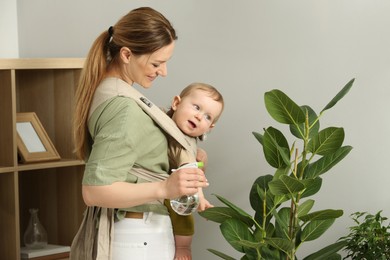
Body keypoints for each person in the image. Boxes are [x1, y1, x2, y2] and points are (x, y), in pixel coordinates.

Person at [71, 7, 209, 260]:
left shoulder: (111, 92)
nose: (164, 72)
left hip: (137, 235)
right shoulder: (123, 106)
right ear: (126, 54)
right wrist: (165, 188)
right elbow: (94, 191)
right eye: (157, 63)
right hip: (139, 238)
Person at [165, 82, 224, 260]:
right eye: (196, 107)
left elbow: (191, 173)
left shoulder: (190, 145)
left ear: (210, 127)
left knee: (184, 214)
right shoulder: (161, 122)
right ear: (176, 103)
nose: (199, 117)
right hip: (154, 184)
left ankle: (183, 247)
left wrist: (201, 198)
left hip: (177, 186)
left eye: (208, 117)